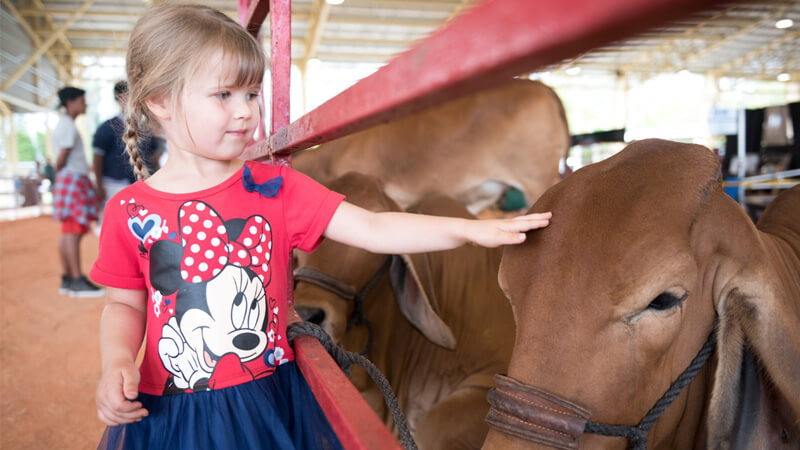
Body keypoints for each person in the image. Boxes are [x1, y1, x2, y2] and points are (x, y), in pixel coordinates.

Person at [90, 4, 552, 449]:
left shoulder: (274, 188)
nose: (246, 111)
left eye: (252, 94)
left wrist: (469, 231)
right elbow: (124, 306)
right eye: (224, 95)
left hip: (269, 401)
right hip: (177, 414)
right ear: (161, 101)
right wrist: (116, 361)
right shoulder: (129, 212)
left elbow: (374, 228)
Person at [52, 86, 104, 298]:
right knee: (73, 230)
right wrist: (61, 172)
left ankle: (68, 277)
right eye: (82, 101)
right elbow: (62, 158)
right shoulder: (68, 127)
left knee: (68, 230)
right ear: (71, 102)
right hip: (73, 179)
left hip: (69, 179)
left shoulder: (65, 124)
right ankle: (76, 279)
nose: (85, 105)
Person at [93, 81, 162, 221]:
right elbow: (97, 159)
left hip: (144, 184)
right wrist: (99, 185)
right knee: (116, 222)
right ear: (120, 98)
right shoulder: (107, 128)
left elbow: (155, 157)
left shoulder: (147, 128)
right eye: (129, 95)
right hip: (114, 184)